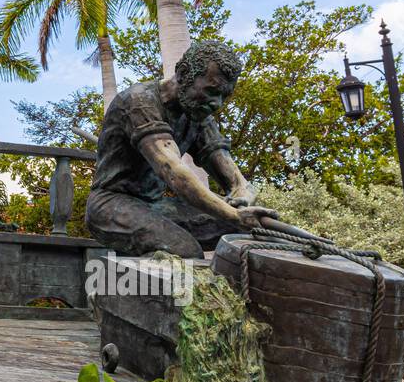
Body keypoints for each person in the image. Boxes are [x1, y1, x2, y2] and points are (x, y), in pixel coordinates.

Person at [86, 40, 274, 258]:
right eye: (212, 91)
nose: (217, 103)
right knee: (186, 251)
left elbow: (233, 176)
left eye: (224, 95)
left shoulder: (198, 114)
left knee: (257, 231)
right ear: (183, 74)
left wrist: (241, 193)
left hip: (155, 206)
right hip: (110, 206)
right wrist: (233, 215)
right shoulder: (138, 102)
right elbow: (173, 171)